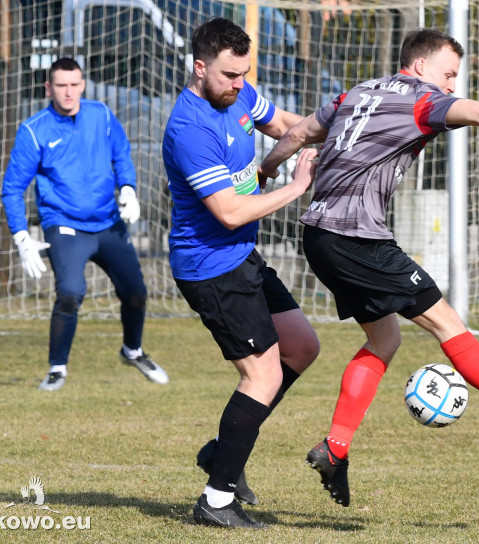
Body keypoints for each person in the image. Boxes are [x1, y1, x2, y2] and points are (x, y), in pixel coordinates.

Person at [258, 29, 479, 508]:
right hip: (358, 239)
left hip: (319, 236)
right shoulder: (421, 100)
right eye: (448, 74)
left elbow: (296, 134)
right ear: (420, 65)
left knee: (384, 340)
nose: (451, 86)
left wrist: (265, 172)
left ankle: (335, 448)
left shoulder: (356, 93)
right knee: (446, 322)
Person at [161, 17, 321, 529]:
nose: (239, 84)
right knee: (262, 374)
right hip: (210, 267)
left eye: (244, 73)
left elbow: (283, 126)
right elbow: (228, 212)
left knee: (301, 347)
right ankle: (216, 500)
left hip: (239, 257)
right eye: (230, 75)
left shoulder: (237, 92)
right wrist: (296, 188)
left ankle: (221, 452)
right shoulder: (190, 129)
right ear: (199, 66)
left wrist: (341, 132)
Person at [1, 57, 168, 392]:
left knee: (136, 292)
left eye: (74, 84)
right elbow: (12, 189)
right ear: (48, 88)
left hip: (108, 224)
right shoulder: (34, 130)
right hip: (64, 225)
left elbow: (121, 154)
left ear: (83, 84)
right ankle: (57, 368)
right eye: (61, 85)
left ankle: (132, 351)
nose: (68, 92)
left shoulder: (101, 115)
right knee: (71, 292)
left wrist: (129, 189)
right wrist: (21, 236)